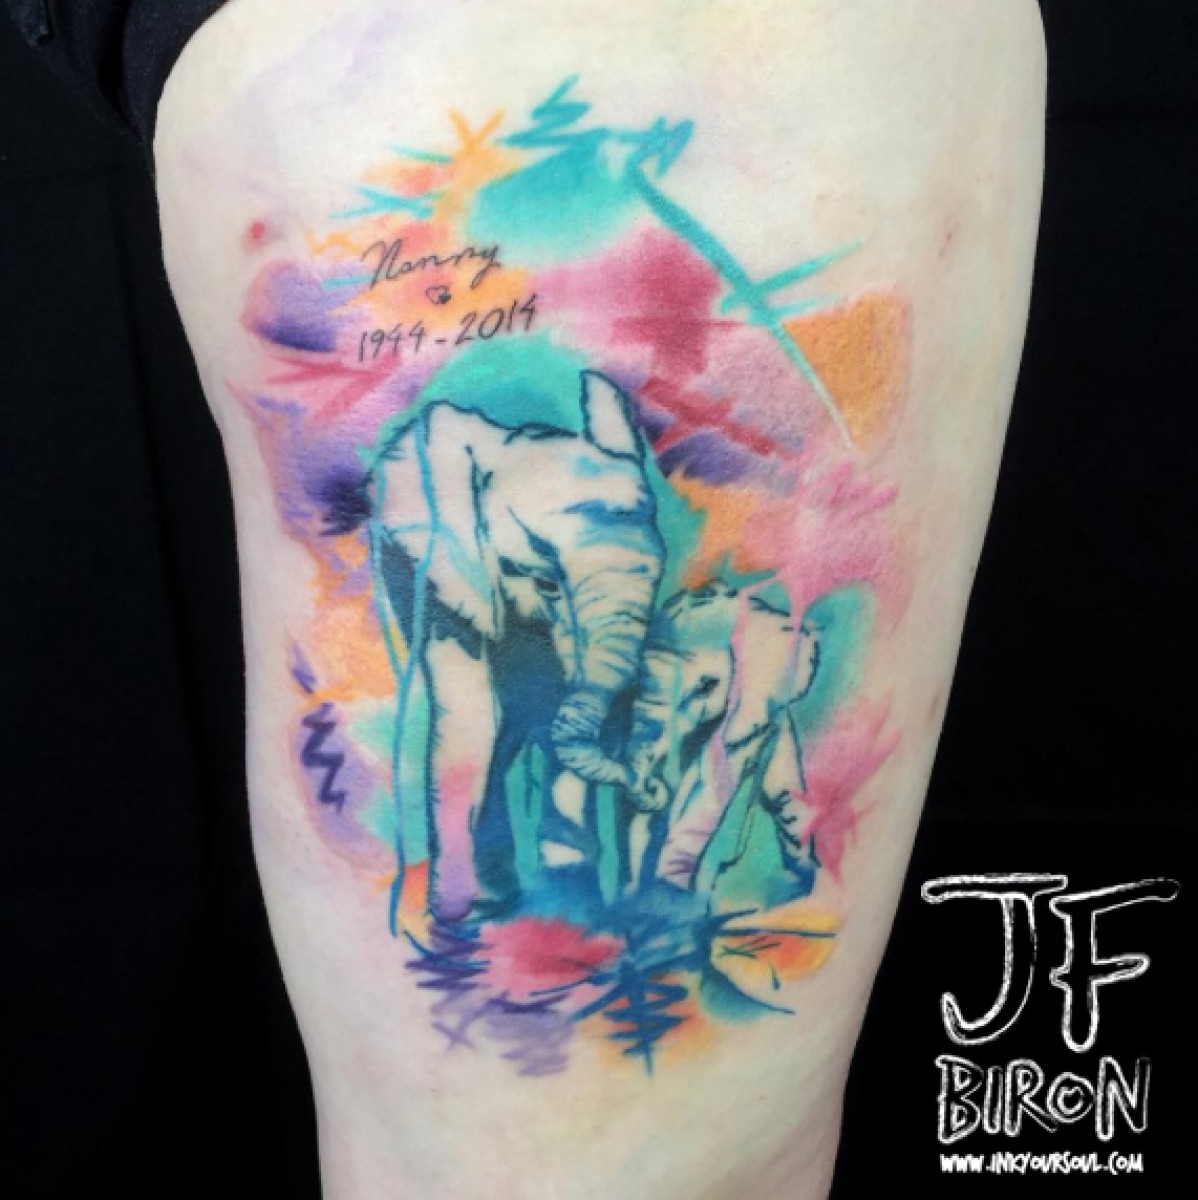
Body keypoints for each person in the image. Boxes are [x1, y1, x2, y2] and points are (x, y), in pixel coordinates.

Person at [10, 2, 1047, 1196]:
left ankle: (533, 906)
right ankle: (462, 883)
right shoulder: (439, 506)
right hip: (470, 549)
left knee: (580, 1169)